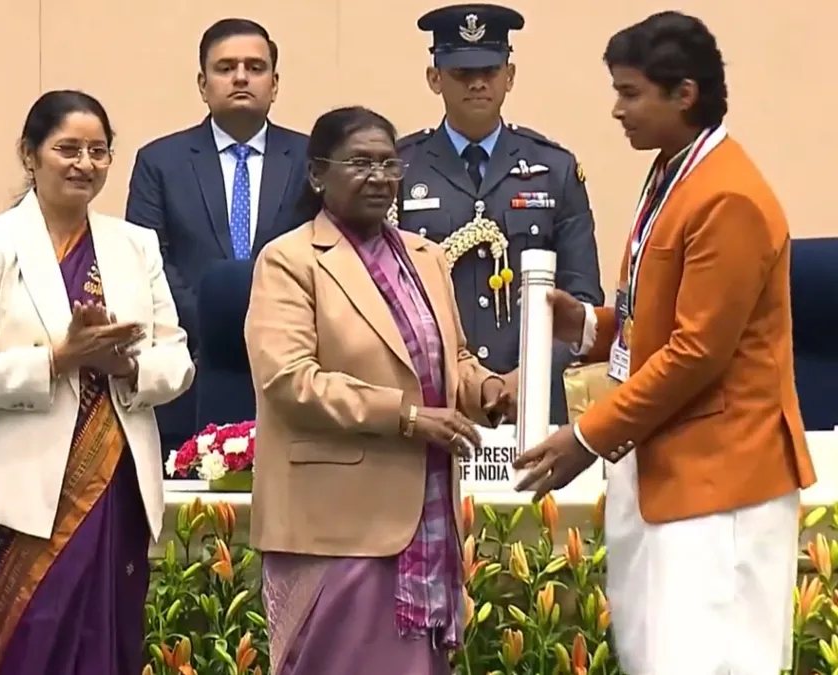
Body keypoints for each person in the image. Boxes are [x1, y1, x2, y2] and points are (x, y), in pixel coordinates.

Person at [513, 12, 816, 675]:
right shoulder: (671, 173)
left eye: (630, 92)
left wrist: (585, 436)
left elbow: (697, 353)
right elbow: (651, 319)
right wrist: (587, 326)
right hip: (662, 467)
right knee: (657, 658)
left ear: (684, 94)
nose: (616, 109)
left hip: (720, 479)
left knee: (708, 661)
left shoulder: (729, 195)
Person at [246, 106, 517, 675]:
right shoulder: (289, 260)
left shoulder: (426, 256)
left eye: (389, 164)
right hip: (334, 525)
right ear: (318, 174)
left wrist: (488, 389)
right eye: (360, 163)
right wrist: (409, 417)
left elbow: (453, 358)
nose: (379, 177)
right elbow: (289, 380)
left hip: (424, 513)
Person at [0, 90, 195, 675]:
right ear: (30, 154)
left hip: (113, 490)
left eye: (98, 152)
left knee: (107, 646)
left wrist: (127, 367)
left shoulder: (134, 245)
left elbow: (177, 360)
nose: (85, 164)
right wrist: (58, 359)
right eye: (68, 149)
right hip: (14, 501)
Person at [396, 3, 604, 424]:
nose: (477, 84)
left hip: (535, 397)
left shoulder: (554, 169)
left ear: (509, 76)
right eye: (461, 73)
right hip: (437, 396)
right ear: (435, 78)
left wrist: (528, 375)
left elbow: (582, 297)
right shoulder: (401, 168)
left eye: (489, 71)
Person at [126, 18, 309, 450]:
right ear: (202, 84)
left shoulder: (310, 159)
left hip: (291, 366)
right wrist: (215, 322)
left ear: (274, 84)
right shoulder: (160, 161)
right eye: (226, 68)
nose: (241, 77)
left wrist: (270, 323)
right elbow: (147, 260)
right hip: (190, 366)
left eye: (255, 67)